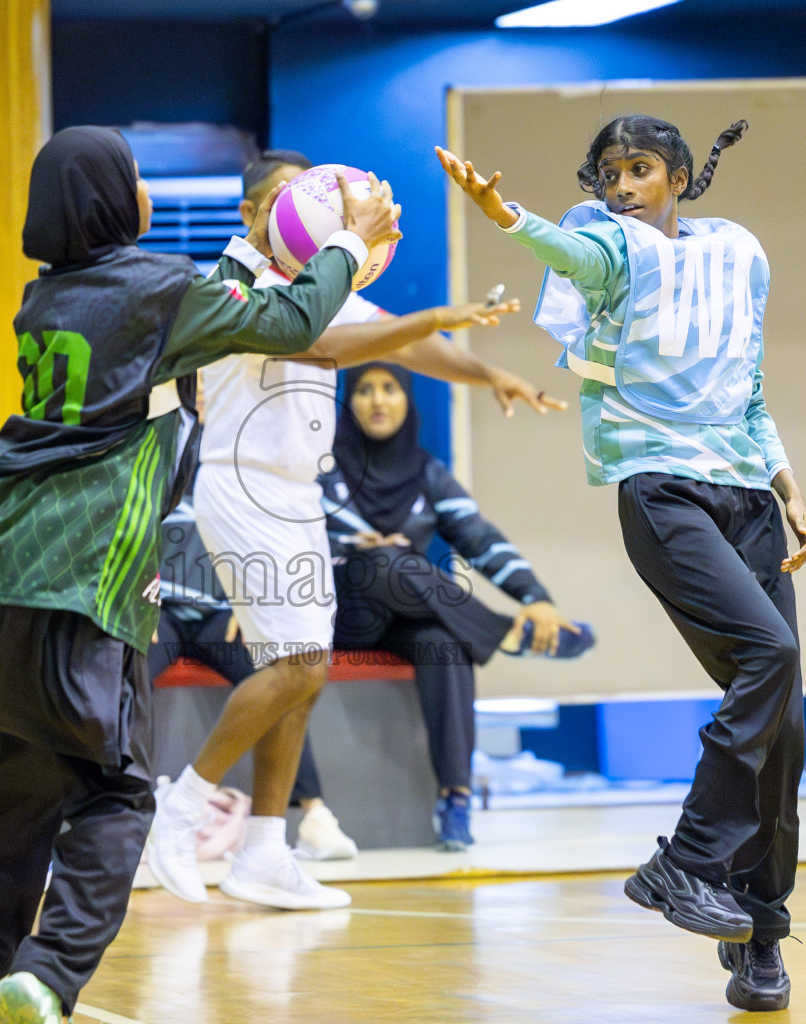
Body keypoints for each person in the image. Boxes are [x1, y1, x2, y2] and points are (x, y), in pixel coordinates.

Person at [0, 126, 401, 1024]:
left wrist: (311, 261)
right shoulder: (161, 288)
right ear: (112, 201)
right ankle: (50, 972)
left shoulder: (45, 297)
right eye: (135, 177)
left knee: (7, 769)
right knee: (116, 789)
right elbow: (295, 323)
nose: (145, 190)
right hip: (85, 572)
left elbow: (232, 316)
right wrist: (345, 240)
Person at [438, 116, 806, 1013]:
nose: (622, 186)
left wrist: (788, 485)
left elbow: (749, 388)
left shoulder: (736, 255)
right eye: (609, 173)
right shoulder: (610, 247)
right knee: (770, 655)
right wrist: (506, 216)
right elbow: (576, 257)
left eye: (640, 170)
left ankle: (760, 935)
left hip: (748, 497)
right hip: (663, 493)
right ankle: (686, 863)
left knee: (786, 735)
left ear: (679, 176)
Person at [147, 148, 556, 912]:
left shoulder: (318, 282)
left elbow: (402, 341)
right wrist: (430, 314)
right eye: (285, 199)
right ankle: (182, 808)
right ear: (252, 212)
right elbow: (324, 344)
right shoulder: (231, 284)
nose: (309, 213)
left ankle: (265, 852)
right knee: (297, 667)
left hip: (295, 489)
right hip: (243, 486)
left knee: (305, 671)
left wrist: (489, 373)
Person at [322, 363, 592, 851]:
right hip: (343, 616)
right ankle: (505, 632)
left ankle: (455, 798)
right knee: (382, 560)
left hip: (404, 616)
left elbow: (478, 538)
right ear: (349, 401)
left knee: (445, 642)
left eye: (389, 389)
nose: (378, 400)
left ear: (407, 401)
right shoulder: (324, 467)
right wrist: (356, 542)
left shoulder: (426, 472)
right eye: (365, 390)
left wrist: (537, 597)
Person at [149, 483, 354, 861]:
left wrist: (251, 602)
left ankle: (313, 815)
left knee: (287, 677)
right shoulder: (160, 447)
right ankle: (120, 813)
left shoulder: (245, 469)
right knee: (124, 675)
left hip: (223, 614)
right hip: (160, 608)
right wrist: (135, 597)